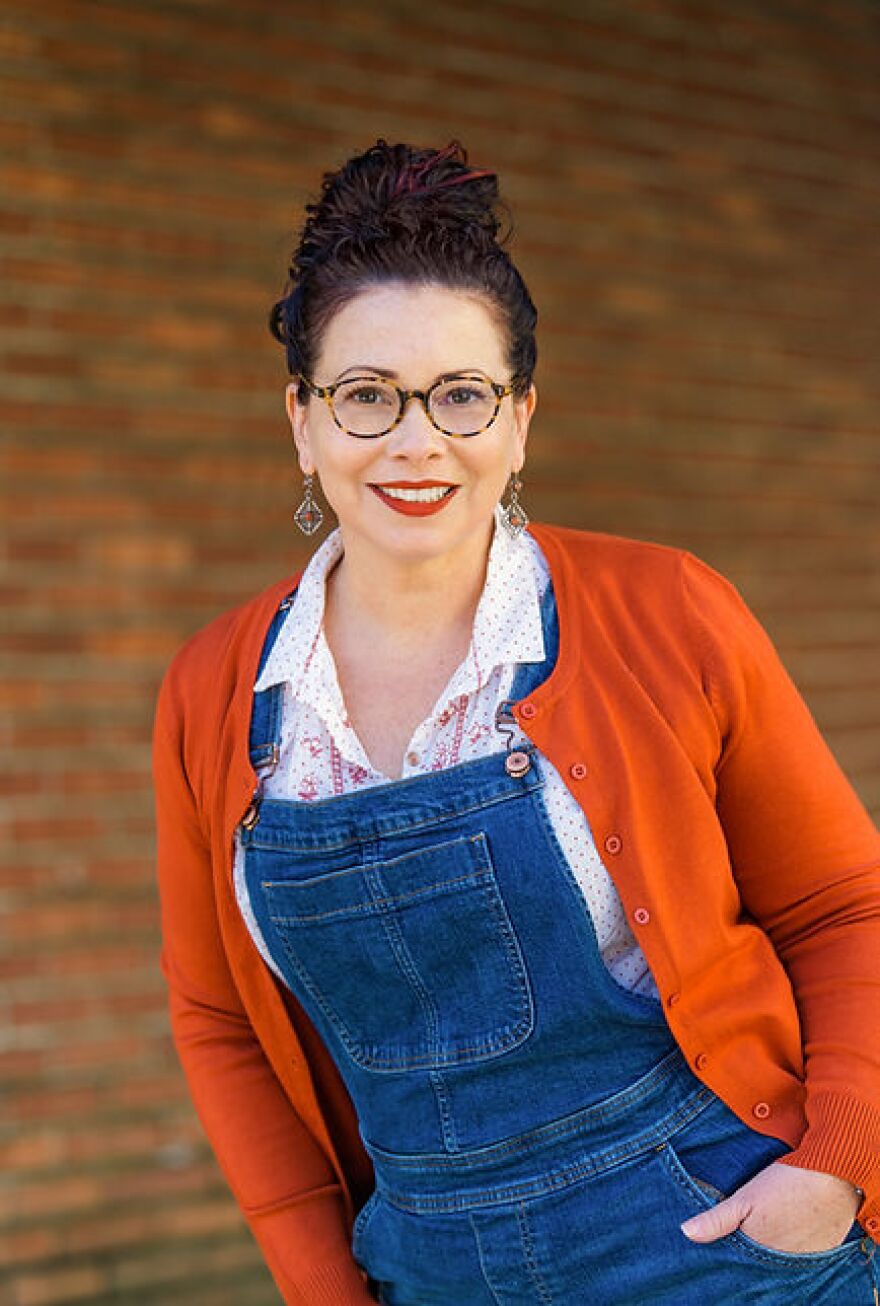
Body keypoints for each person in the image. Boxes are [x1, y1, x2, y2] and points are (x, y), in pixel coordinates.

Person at [152, 138, 880, 1305]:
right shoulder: (213, 693)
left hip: (716, 1246)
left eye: (460, 393)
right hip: (421, 1271)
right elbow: (217, 1019)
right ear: (302, 421)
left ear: (520, 418)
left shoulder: (669, 611)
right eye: (364, 395)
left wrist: (834, 1166)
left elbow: (845, 906)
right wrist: (319, 1287)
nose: (414, 439)